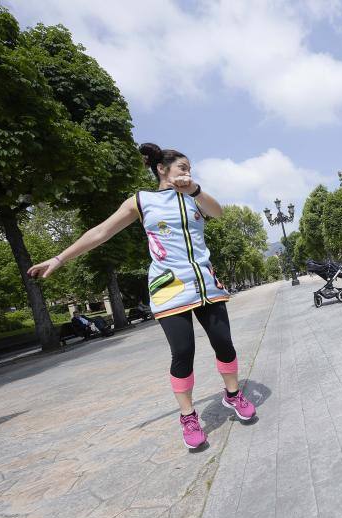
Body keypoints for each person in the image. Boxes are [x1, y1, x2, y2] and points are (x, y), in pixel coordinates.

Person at [28, 143, 256, 449]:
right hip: (169, 289)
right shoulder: (141, 200)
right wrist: (59, 259)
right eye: (182, 168)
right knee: (183, 352)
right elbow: (101, 232)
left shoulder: (196, 197)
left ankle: (233, 395)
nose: (187, 173)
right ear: (161, 169)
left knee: (223, 342)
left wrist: (195, 189)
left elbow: (219, 212)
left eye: (190, 169)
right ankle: (188, 416)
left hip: (206, 284)